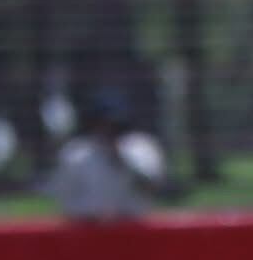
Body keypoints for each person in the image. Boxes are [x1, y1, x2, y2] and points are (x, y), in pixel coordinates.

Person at [40, 91, 165, 221]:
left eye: (116, 126)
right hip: (87, 229)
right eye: (104, 125)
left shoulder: (142, 148)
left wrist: (124, 162)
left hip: (133, 227)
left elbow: (154, 189)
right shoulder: (75, 154)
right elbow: (63, 197)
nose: (110, 132)